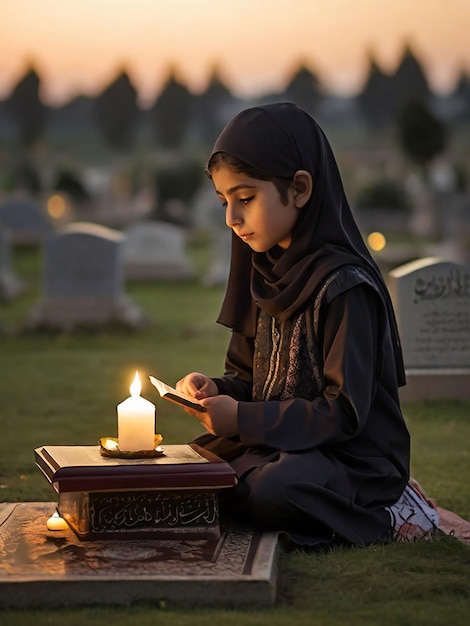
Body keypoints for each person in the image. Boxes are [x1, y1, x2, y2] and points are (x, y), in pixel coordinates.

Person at [176, 102, 436, 549]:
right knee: (189, 467)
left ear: (298, 188)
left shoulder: (345, 287)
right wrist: (215, 391)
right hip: (281, 446)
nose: (231, 220)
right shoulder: (264, 272)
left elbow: (344, 414)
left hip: (351, 458)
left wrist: (240, 417)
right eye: (224, 202)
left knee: (276, 490)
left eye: (245, 198)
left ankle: (395, 511)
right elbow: (247, 379)